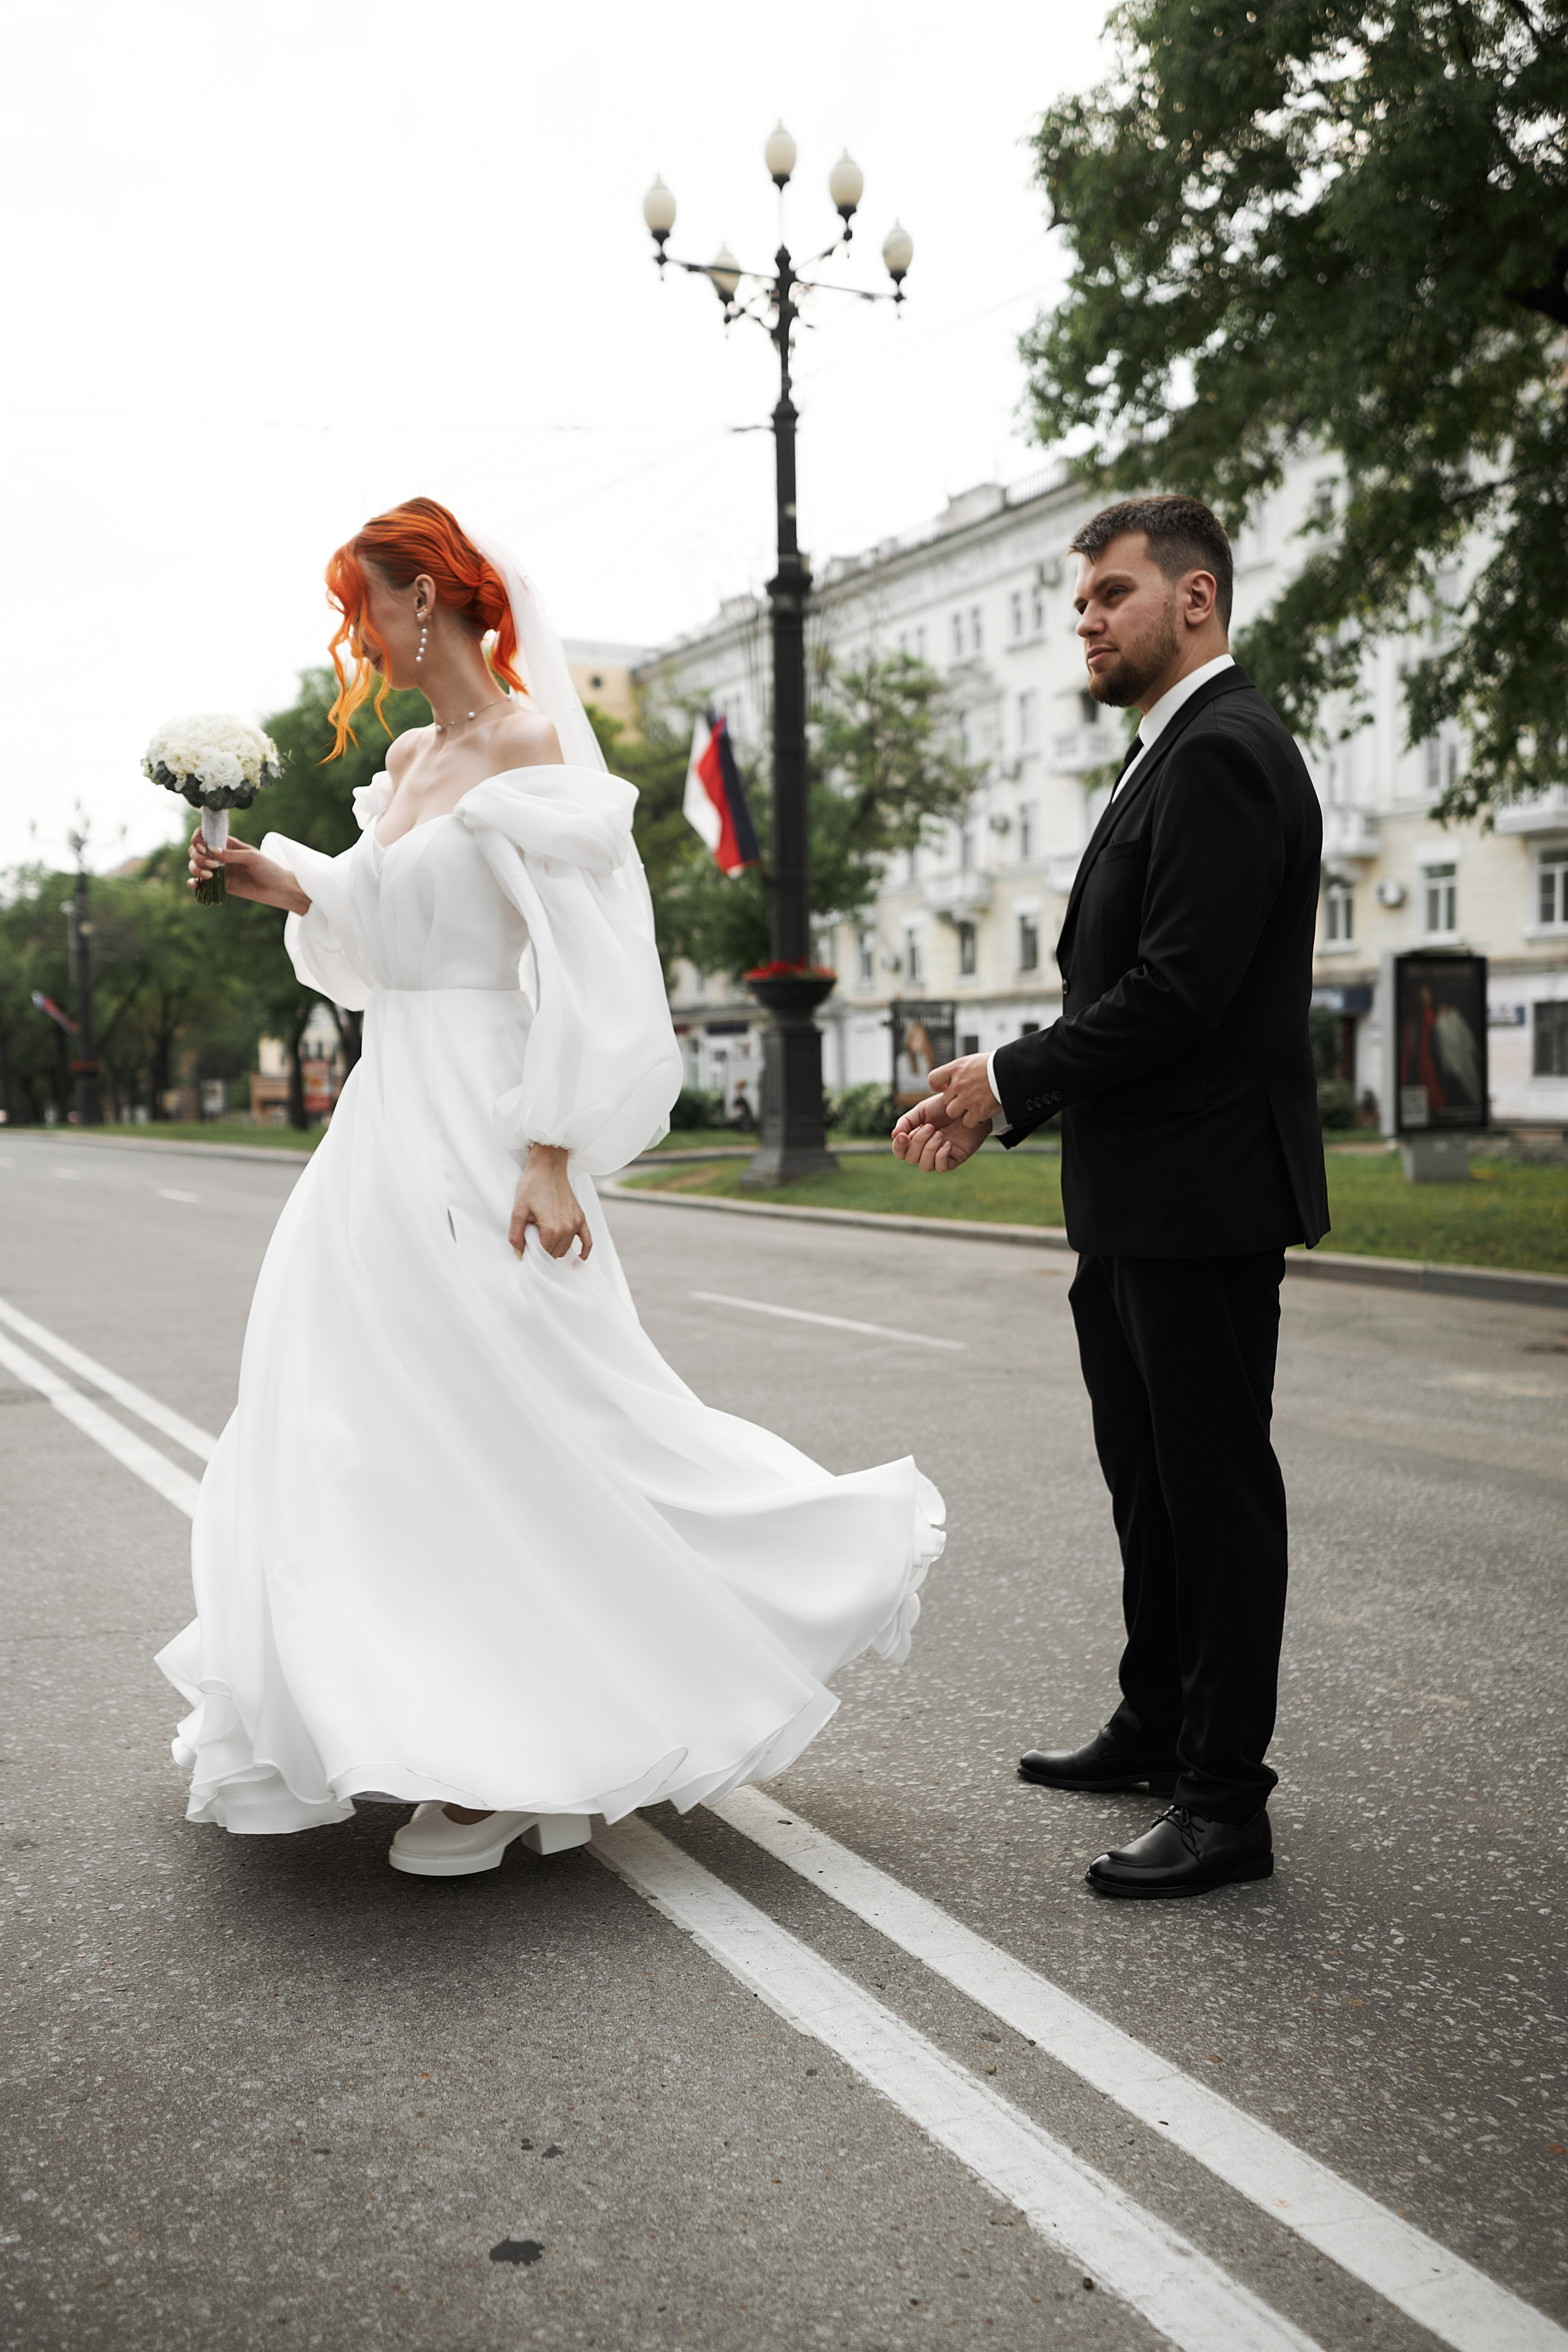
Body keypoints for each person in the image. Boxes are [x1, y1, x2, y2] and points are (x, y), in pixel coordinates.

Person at [158, 497, 943, 1879]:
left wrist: (552, 1145)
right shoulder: (406, 757)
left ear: (429, 598)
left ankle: (531, 1754)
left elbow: (589, 964)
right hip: (385, 1112)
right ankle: (421, 1713)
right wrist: (273, 879)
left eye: (365, 603)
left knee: (531, 1404)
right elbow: (375, 925)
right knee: (361, 1411)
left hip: (487, 1111)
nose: (356, 634)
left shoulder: (528, 746)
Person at [892, 495, 1326, 1900]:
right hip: (1138, 1194)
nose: (1085, 619)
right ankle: (1156, 1723)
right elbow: (1129, 988)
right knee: (1148, 1485)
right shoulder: (1167, 754)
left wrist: (1007, 1080)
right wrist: (1006, 1085)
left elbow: (1178, 991)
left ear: (1193, 601)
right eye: (1079, 601)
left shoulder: (1225, 754)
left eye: (1111, 596)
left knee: (1212, 1492)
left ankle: (1222, 1799)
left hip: (1201, 1196)